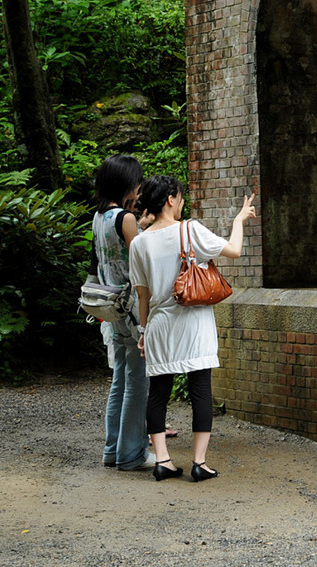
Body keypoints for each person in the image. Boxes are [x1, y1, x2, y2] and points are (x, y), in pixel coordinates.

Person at [130, 176, 257, 482]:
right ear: (171, 200)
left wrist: (144, 331)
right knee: (200, 389)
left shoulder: (139, 242)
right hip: (193, 321)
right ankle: (199, 463)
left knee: (158, 393)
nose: (183, 202)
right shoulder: (190, 229)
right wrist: (239, 218)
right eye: (181, 197)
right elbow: (234, 250)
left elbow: (142, 294)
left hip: (159, 324)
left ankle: (163, 461)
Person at [93, 155, 155, 471]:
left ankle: (112, 449)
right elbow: (141, 259)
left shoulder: (99, 217)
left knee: (120, 379)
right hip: (132, 310)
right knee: (137, 381)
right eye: (136, 182)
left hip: (110, 307)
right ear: (126, 184)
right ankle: (131, 454)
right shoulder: (125, 218)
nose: (139, 188)